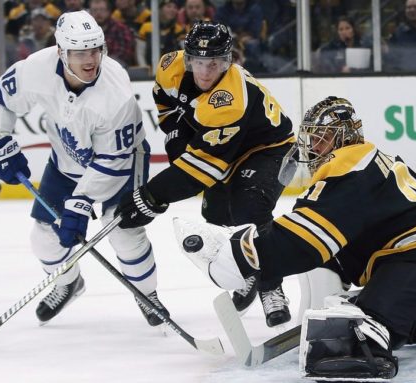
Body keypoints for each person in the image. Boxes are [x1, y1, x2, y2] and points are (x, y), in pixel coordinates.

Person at [173, 96, 416, 381]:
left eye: (322, 138)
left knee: (359, 330)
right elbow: (331, 247)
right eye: (312, 139)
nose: (315, 147)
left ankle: (369, 342)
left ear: (343, 137)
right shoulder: (367, 164)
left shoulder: (349, 165)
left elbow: (306, 239)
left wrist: (241, 256)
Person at [0, 10, 168, 327]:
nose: (90, 59)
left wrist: (80, 203)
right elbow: (1, 97)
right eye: (80, 52)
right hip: (66, 160)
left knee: (122, 230)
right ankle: (67, 282)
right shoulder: (36, 70)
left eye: (95, 50)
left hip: (123, 163)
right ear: (61, 52)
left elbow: (113, 161)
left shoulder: (116, 94)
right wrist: (0, 141)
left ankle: (146, 294)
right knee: (44, 235)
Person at [114, 21, 295, 328]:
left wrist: (152, 195)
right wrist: (176, 138)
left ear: (227, 61)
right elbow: (168, 109)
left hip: (270, 148)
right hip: (225, 147)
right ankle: (247, 273)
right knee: (216, 218)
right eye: (198, 63)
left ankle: (271, 287)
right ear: (188, 58)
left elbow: (201, 171)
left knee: (249, 208)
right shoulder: (169, 67)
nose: (204, 73)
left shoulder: (230, 99)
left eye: (213, 64)